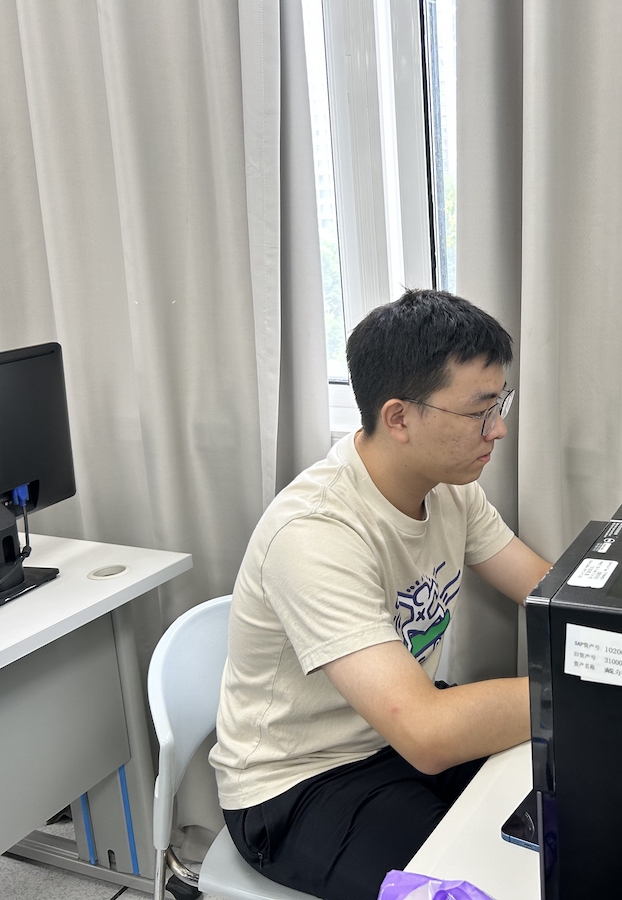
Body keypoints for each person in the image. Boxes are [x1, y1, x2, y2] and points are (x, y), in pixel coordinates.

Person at [210, 289, 552, 900]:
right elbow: (428, 733)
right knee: (484, 884)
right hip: (300, 783)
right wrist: (586, 692)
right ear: (398, 418)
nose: (498, 430)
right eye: (479, 412)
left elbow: (548, 593)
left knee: (578, 804)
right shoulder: (314, 532)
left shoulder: (450, 486)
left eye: (500, 404)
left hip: (392, 739)